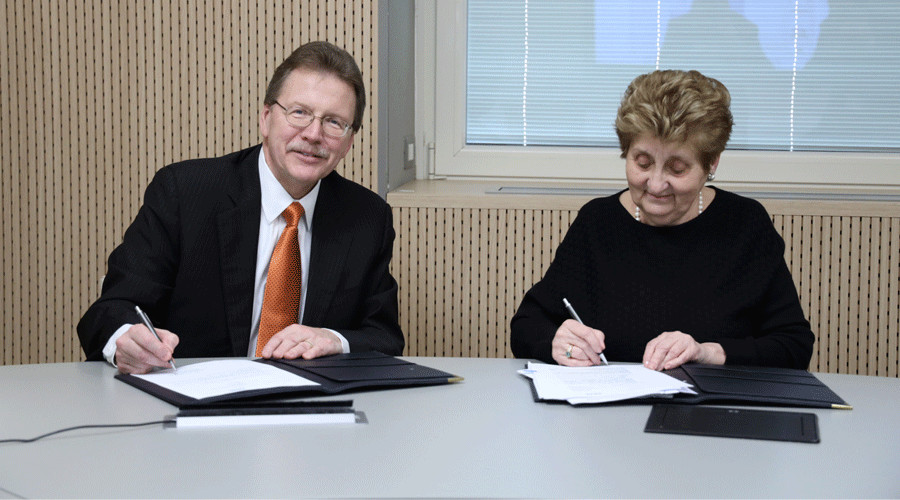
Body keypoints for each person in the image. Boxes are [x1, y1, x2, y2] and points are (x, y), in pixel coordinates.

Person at [78, 41, 404, 374]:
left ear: (349, 141)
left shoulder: (367, 218)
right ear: (266, 118)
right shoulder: (185, 194)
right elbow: (111, 310)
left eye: (334, 122)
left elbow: (385, 337)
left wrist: (336, 340)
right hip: (194, 405)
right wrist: (126, 341)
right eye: (300, 113)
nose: (313, 134)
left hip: (310, 410)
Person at [510, 69, 814, 371]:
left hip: (714, 415)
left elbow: (794, 345)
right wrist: (555, 341)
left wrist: (706, 352)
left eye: (677, 169)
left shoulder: (745, 225)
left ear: (712, 163)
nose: (655, 185)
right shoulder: (598, 223)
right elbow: (526, 325)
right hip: (610, 414)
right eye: (642, 163)